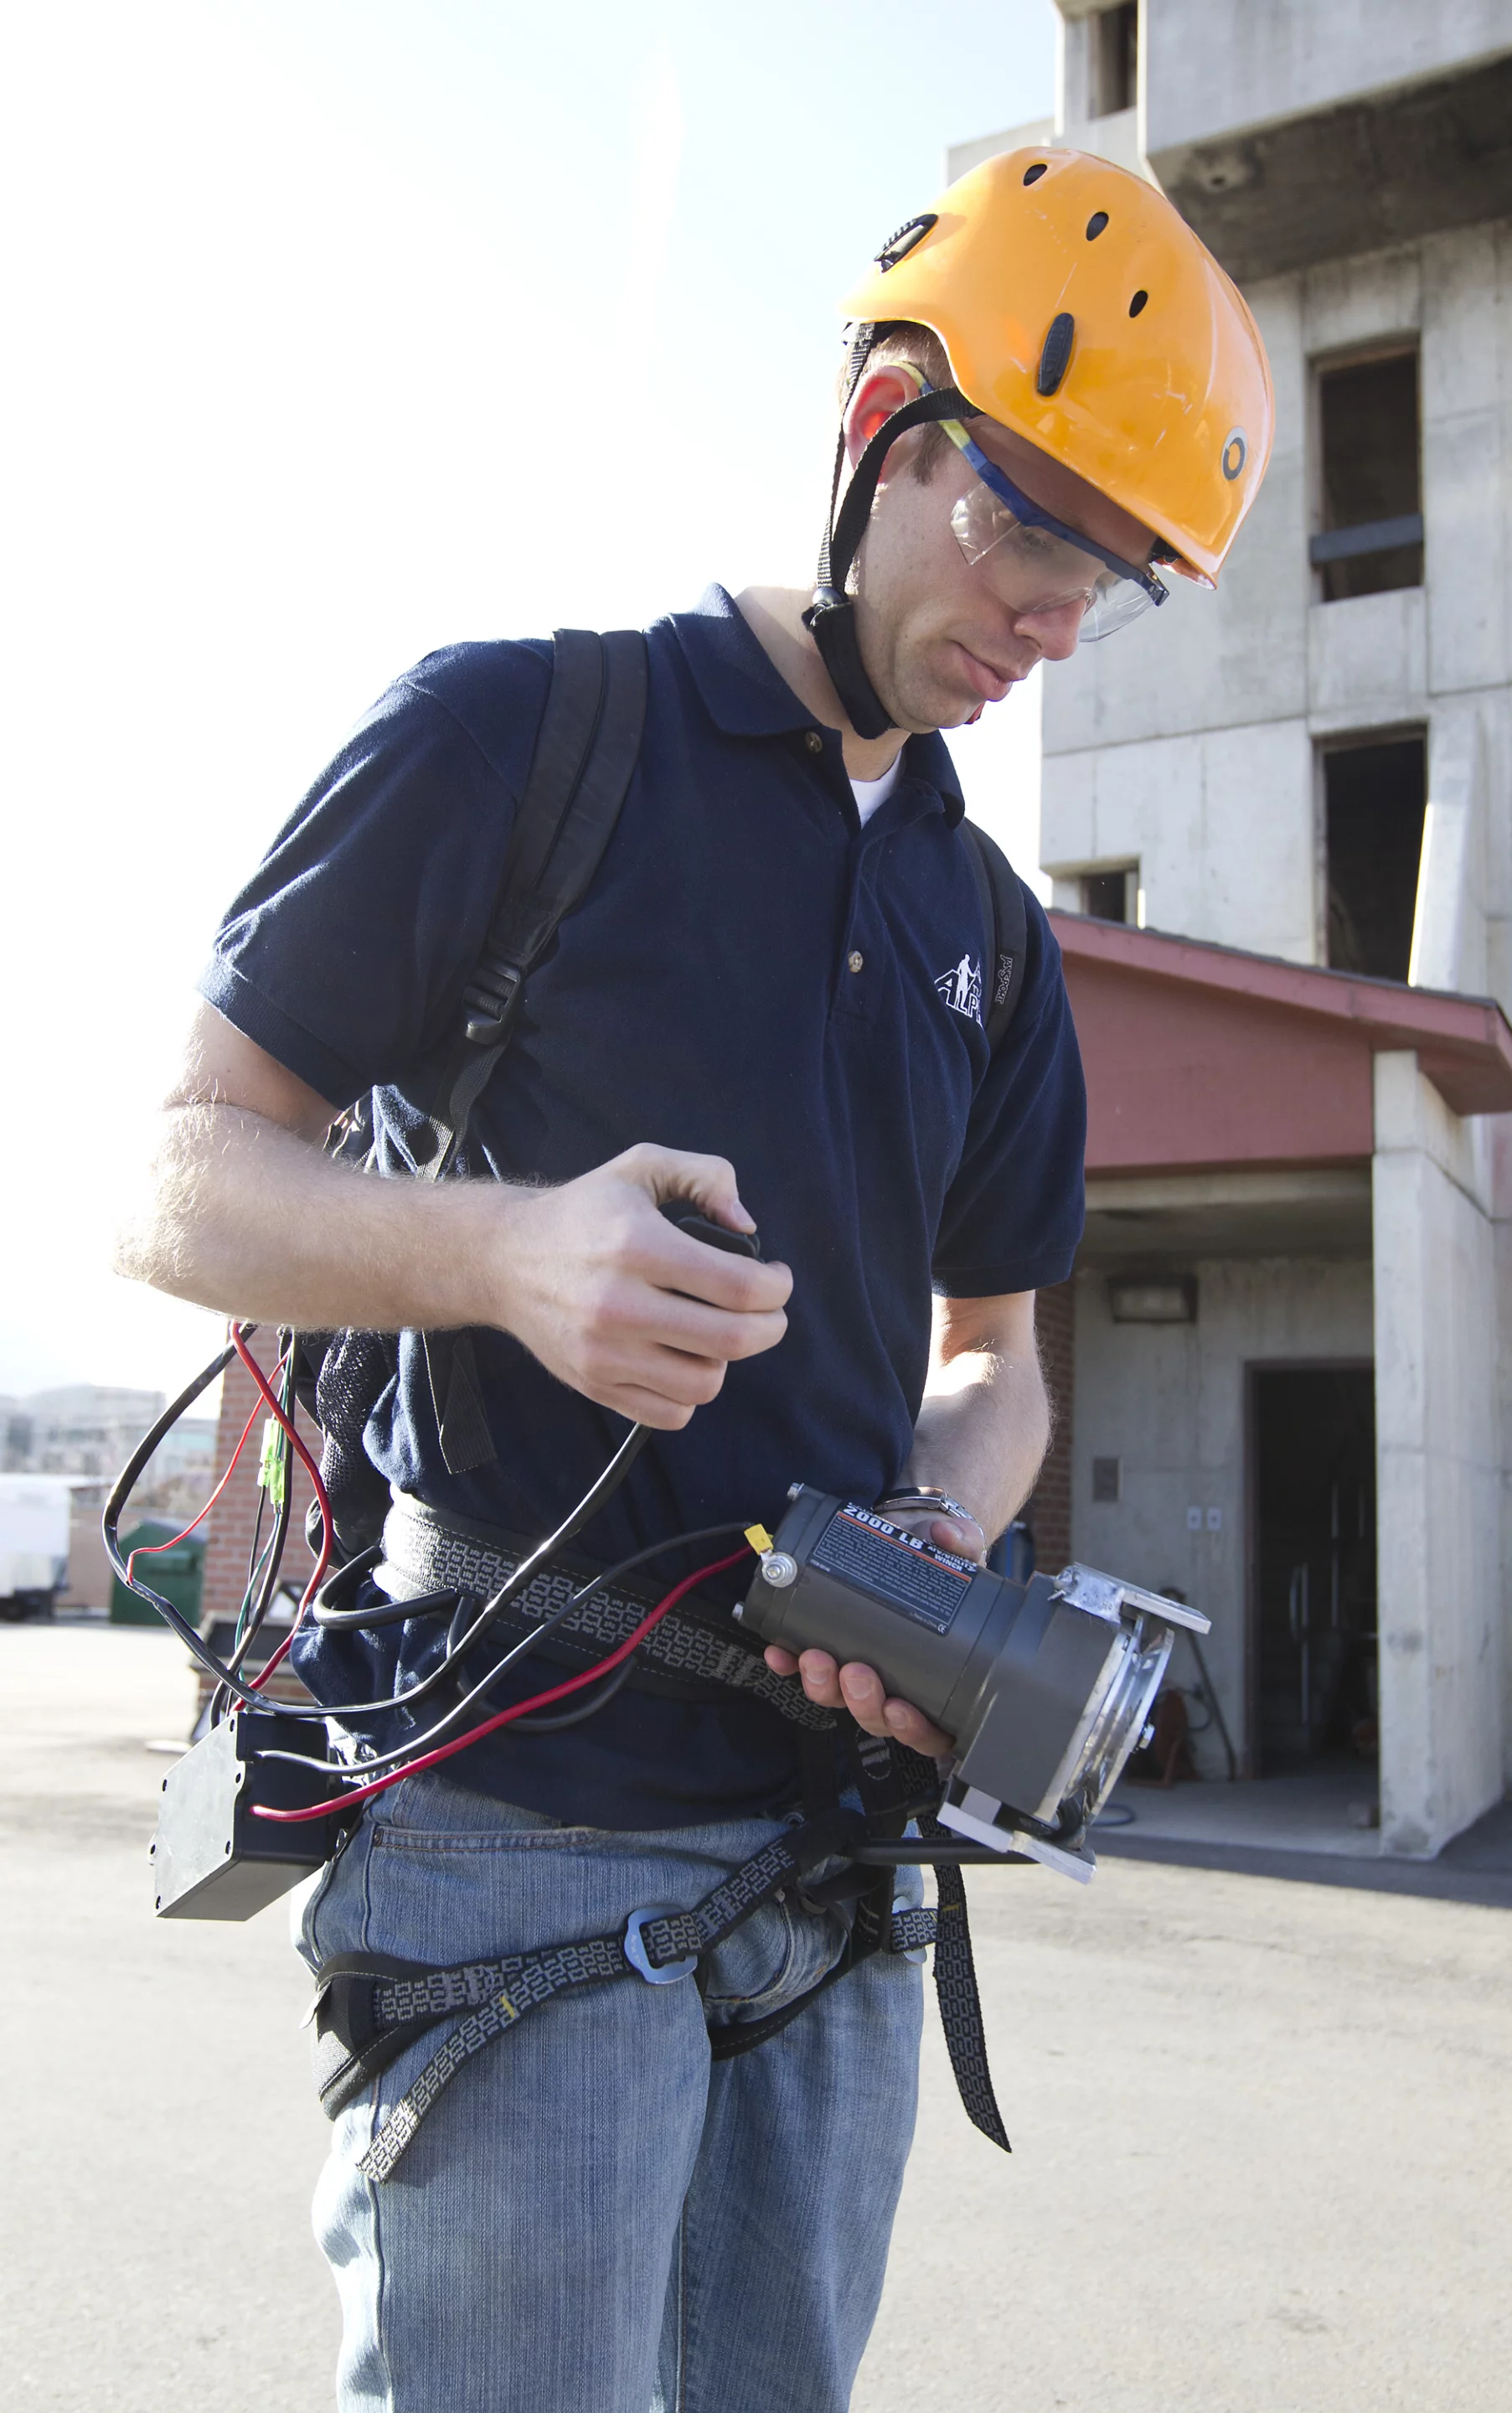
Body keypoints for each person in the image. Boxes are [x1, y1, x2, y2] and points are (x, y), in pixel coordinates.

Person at [119, 147, 1271, 2412]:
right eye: (1030, 522)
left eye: (1111, 581)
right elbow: (174, 1183)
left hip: (832, 1877)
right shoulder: (528, 740)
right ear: (880, 426)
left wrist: (932, 1535)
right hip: (506, 1824)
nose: (1054, 618)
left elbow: (996, 1366)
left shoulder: (990, 940)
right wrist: (508, 1254)